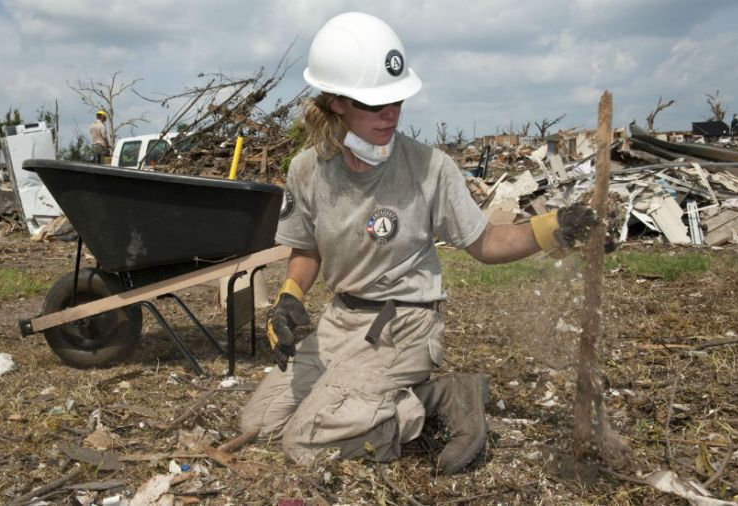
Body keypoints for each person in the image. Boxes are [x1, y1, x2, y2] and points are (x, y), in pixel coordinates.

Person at [240, 12, 606, 473]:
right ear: (337, 103)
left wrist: (555, 226)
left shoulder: (429, 169)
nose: (391, 114)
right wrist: (289, 298)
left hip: (402, 325)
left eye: (397, 101)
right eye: (376, 105)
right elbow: (306, 250)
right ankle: (401, 395)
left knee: (304, 445)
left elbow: (487, 242)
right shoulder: (308, 170)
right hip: (340, 322)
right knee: (260, 424)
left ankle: (431, 402)